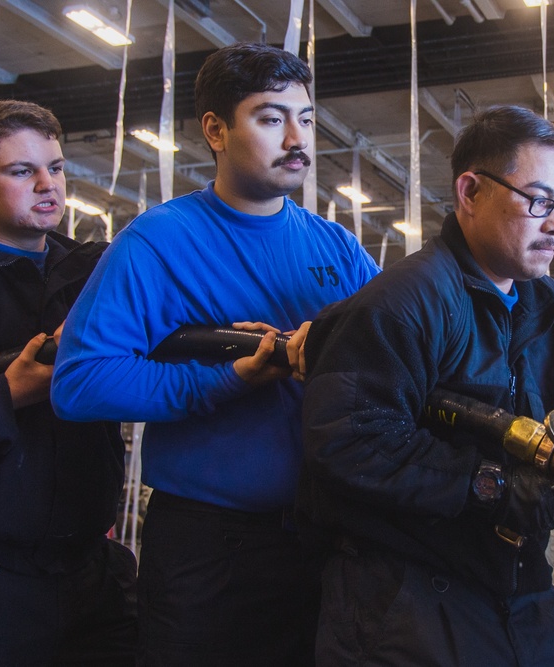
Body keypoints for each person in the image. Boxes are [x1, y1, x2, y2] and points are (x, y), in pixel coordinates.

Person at [299, 105, 554, 666]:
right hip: (403, 599)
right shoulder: (405, 302)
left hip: (519, 588)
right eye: (540, 201)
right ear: (470, 192)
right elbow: (348, 439)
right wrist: (490, 485)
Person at [51, 43, 379, 666]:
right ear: (215, 130)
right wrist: (230, 377)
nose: (296, 137)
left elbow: (396, 356)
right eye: (270, 117)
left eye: (306, 118)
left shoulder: (336, 244)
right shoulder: (160, 239)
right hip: (211, 552)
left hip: (327, 538)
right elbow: (81, 381)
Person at [0, 100, 136, 664]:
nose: (48, 184)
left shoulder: (97, 282)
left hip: (89, 571)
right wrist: (10, 393)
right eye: (22, 171)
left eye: (57, 167)